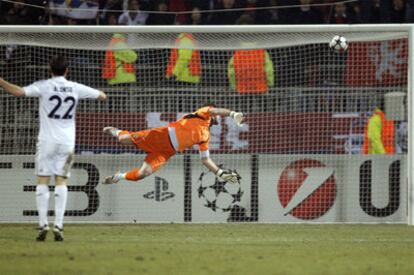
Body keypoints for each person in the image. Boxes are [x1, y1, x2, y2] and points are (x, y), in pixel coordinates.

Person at [0, 55, 107, 241]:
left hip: (47, 141)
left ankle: (43, 224)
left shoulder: (44, 86)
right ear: (67, 70)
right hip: (67, 143)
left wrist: (1, 81)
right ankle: (59, 225)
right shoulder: (75, 87)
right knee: (61, 181)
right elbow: (102, 95)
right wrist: (96, 94)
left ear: (50, 69)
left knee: (42, 180)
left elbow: (18, 92)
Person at [102, 104, 243, 184]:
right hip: (162, 136)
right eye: (217, 114)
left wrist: (219, 173)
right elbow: (216, 110)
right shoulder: (202, 114)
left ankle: (118, 177)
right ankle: (117, 131)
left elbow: (205, 159)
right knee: (123, 140)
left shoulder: (205, 137)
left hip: (168, 151)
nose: (218, 115)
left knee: (142, 174)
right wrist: (232, 114)